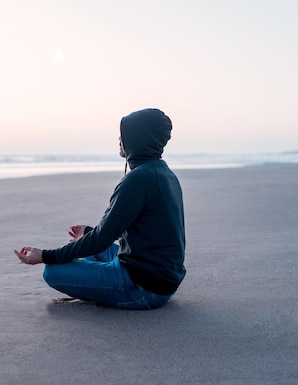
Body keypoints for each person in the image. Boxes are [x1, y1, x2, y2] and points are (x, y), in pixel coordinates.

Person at [14, 108, 185, 309]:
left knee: (52, 271)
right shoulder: (164, 174)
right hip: (162, 279)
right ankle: (99, 276)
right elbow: (144, 232)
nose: (119, 139)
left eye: (125, 133)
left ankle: (107, 286)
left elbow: (99, 240)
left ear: (138, 138)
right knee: (88, 250)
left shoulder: (137, 180)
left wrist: (44, 255)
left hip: (144, 288)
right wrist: (88, 233)